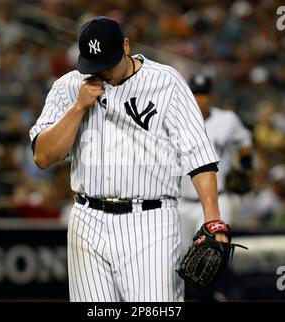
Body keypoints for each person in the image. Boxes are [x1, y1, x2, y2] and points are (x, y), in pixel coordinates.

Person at [30, 16, 228, 302]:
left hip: (150, 221)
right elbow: (43, 156)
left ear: (125, 46)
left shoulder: (165, 82)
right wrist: (78, 107)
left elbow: (199, 155)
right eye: (93, 65)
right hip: (87, 219)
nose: (102, 72)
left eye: (108, 63)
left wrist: (213, 218)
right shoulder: (69, 87)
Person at [178, 75, 253, 255]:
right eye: (196, 94)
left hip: (218, 200)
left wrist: (247, 170)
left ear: (211, 96)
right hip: (181, 202)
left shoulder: (227, 119)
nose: (199, 99)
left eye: (203, 94)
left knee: (213, 255)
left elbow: (244, 143)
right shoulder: (176, 120)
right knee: (180, 260)